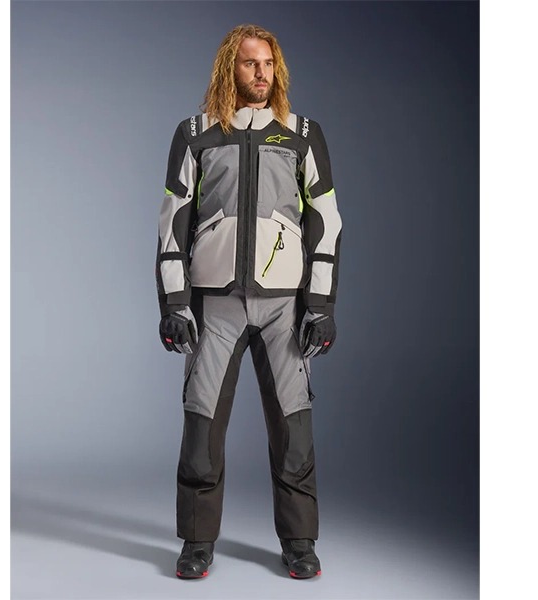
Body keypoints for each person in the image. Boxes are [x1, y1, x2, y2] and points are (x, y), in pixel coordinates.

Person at [155, 23, 342, 579]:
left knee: (294, 429)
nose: (260, 73)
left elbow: (326, 222)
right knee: (201, 425)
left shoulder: (302, 134)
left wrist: (321, 305)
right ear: (228, 69)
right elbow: (172, 222)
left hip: (285, 307)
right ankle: (196, 543)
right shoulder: (195, 134)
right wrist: (174, 303)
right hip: (215, 305)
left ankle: (300, 542)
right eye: (249, 63)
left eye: (268, 63)